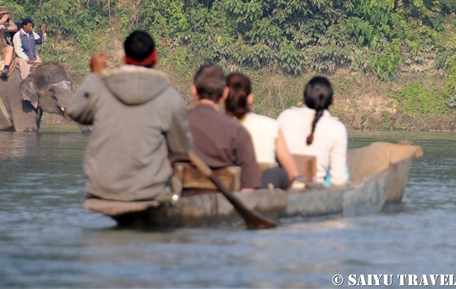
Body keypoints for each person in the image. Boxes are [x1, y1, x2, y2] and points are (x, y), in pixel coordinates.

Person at [67, 30, 192, 203]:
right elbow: (180, 147)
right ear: (155, 58)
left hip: (102, 187)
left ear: (124, 58)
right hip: (148, 190)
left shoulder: (101, 88)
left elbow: (74, 110)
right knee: (177, 187)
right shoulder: (170, 97)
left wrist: (95, 75)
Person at [169, 65, 262, 195]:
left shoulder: (174, 124)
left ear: (194, 90)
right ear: (225, 93)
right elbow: (248, 189)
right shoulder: (238, 131)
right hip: (225, 211)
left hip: (180, 209)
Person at [225, 72, 299, 189]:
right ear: (250, 98)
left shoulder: (213, 127)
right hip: (262, 197)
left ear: (222, 97)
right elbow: (292, 173)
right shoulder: (271, 125)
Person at [277, 76, 349, 187]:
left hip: (284, 187)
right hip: (315, 195)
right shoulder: (337, 127)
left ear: (304, 98)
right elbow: (338, 181)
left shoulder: (285, 116)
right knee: (344, 169)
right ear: (331, 101)